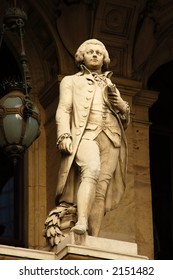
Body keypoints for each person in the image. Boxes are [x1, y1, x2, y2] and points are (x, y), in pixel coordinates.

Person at [55, 39, 130, 236]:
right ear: (82, 57)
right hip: (85, 134)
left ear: (104, 58)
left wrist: (123, 107)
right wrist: (64, 134)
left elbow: (125, 122)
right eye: (90, 52)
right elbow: (64, 109)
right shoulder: (70, 81)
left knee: (101, 190)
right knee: (91, 169)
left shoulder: (110, 84)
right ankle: (81, 221)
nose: (95, 55)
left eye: (99, 52)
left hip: (111, 137)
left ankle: (93, 238)